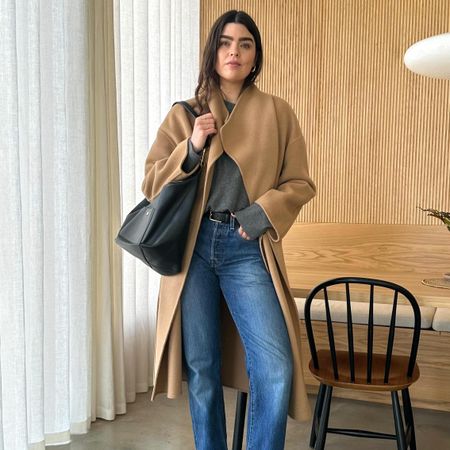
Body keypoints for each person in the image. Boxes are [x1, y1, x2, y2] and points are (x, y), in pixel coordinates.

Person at [141, 10, 316, 450]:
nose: (233, 51)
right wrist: (193, 146)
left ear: (255, 57)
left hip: (246, 249)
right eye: (224, 42)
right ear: (212, 52)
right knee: (202, 367)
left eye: (244, 43)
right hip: (193, 249)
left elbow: (299, 183)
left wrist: (257, 217)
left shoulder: (278, 112)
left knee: (274, 366)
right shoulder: (187, 113)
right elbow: (150, 182)